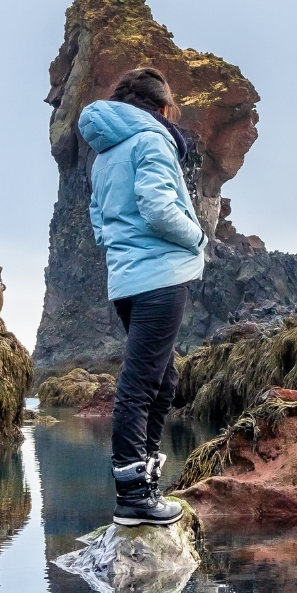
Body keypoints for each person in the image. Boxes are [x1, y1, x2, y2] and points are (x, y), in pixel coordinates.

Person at [80, 67, 205, 525]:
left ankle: (146, 482)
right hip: (160, 277)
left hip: (127, 282)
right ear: (161, 107)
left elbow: (98, 219)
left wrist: (121, 249)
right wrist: (196, 239)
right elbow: (157, 208)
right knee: (140, 383)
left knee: (163, 380)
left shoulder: (104, 155)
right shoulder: (152, 141)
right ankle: (134, 496)